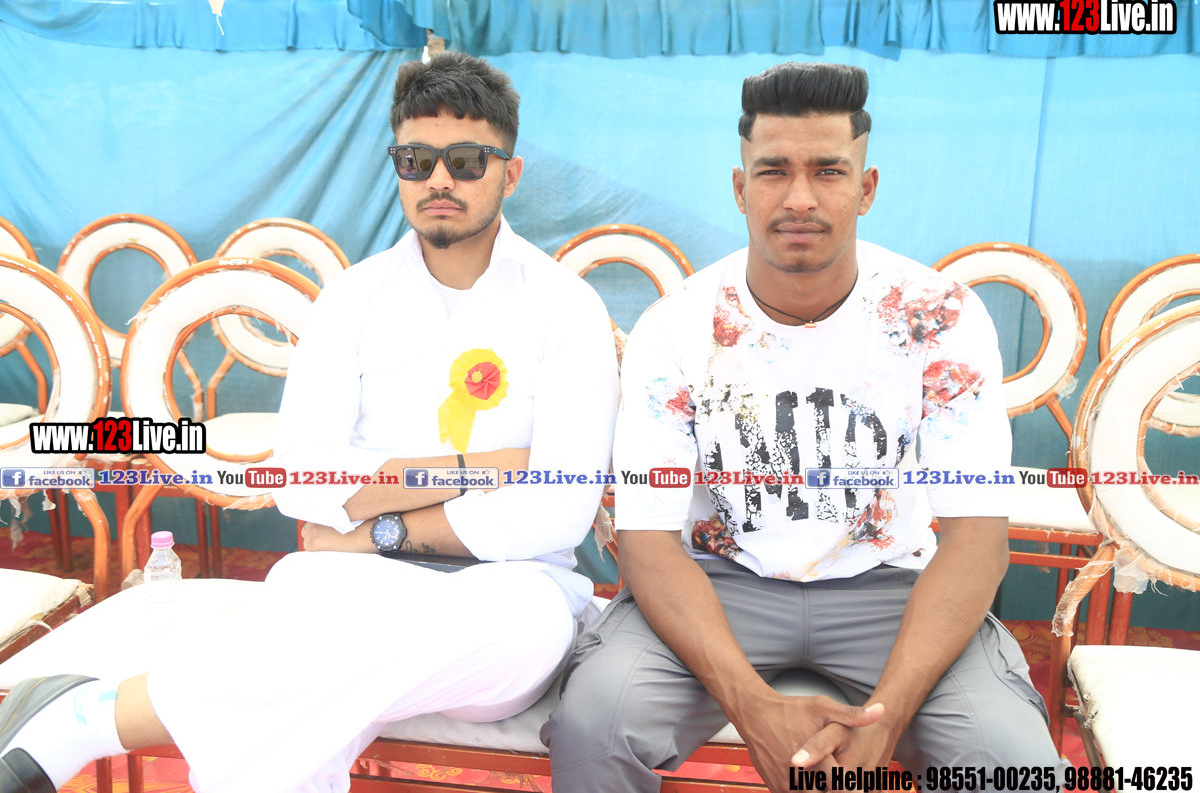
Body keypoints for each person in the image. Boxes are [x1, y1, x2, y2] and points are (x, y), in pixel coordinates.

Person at [0, 52, 618, 793]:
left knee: (507, 638)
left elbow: (557, 509)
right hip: (350, 578)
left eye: (465, 160)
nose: (438, 180)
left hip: (508, 592)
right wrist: (474, 472)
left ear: (509, 174)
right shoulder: (352, 299)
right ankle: (79, 721)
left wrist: (372, 521)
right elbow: (300, 477)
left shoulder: (564, 308)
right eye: (416, 160)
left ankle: (90, 718)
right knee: (314, 668)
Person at [542, 61, 1060, 792]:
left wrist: (888, 714)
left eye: (828, 171)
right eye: (774, 171)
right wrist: (751, 707)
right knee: (596, 726)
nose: (800, 198)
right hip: (717, 581)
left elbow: (977, 535)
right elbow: (648, 539)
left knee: (1010, 762)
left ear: (867, 188)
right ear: (739, 187)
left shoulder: (938, 316)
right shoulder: (678, 327)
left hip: (890, 585)